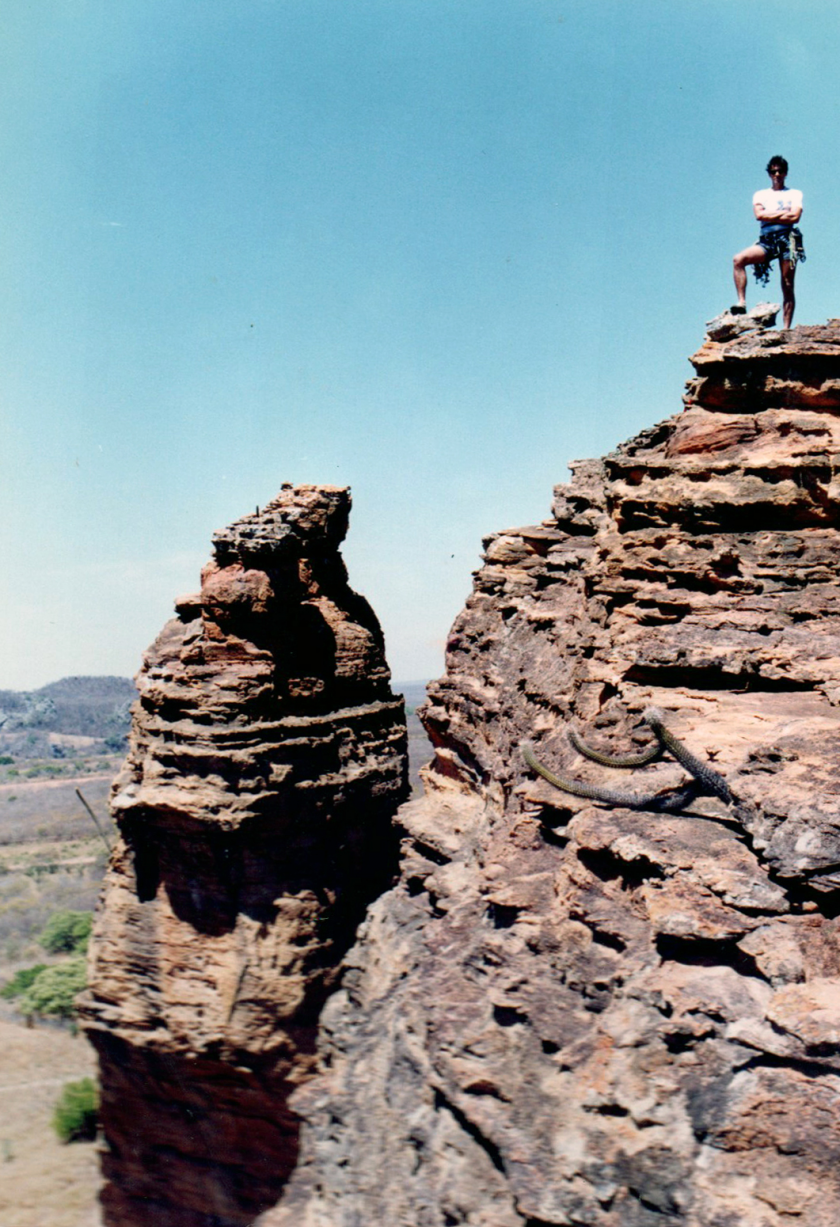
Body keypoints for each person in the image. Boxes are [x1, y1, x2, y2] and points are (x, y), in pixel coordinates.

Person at [732, 156, 805, 328]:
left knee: (787, 284)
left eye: (780, 171)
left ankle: (786, 328)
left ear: (786, 173)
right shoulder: (761, 194)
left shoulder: (794, 194)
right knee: (738, 259)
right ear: (769, 174)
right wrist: (783, 215)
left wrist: (770, 215)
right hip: (767, 240)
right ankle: (741, 302)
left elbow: (795, 217)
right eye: (773, 171)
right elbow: (759, 215)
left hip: (787, 240)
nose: (777, 174)